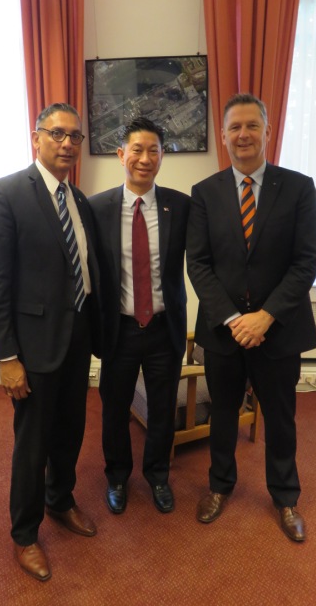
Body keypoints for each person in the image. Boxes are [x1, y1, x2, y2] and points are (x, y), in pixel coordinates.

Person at [186, 93, 316, 542]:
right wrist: (232, 319)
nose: (243, 134)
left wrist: (265, 317)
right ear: (224, 136)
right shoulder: (204, 193)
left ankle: (285, 497)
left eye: (251, 126)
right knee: (223, 413)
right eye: (234, 127)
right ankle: (220, 486)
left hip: (278, 330)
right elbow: (198, 264)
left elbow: (306, 260)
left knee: (281, 418)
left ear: (268, 131)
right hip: (223, 331)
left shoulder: (298, 188)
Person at [0, 103, 101, 581]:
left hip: (77, 340)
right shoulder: (5, 194)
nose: (67, 143)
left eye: (75, 136)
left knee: (70, 431)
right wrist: (7, 357)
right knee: (32, 444)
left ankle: (60, 500)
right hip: (32, 349)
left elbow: (84, 270)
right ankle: (25, 533)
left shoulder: (79, 200)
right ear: (36, 138)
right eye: (57, 134)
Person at [89, 117, 190, 515]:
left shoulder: (180, 206)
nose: (145, 159)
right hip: (120, 330)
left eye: (153, 151)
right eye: (137, 150)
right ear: (121, 155)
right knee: (114, 409)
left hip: (165, 329)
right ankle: (117, 476)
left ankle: (158, 476)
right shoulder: (97, 208)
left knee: (163, 409)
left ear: (163, 156)